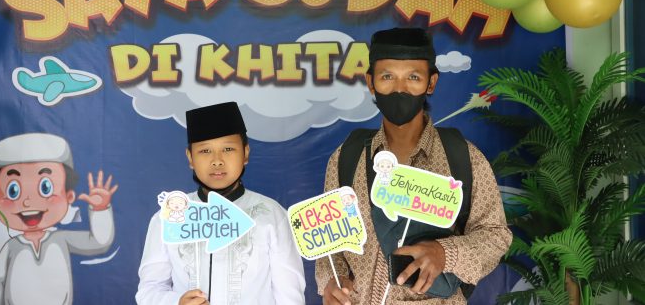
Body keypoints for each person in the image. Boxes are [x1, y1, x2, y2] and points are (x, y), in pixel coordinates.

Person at [315, 28, 512, 304]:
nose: (400, 89)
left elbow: (495, 236)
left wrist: (445, 253)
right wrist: (332, 281)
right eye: (387, 77)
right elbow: (329, 239)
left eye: (413, 77)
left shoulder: (462, 158)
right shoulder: (347, 157)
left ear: (431, 83)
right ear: (370, 82)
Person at [136, 101, 306, 305]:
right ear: (190, 158)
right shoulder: (170, 216)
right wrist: (176, 302)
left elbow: (290, 297)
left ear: (246, 153)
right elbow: (149, 290)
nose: (217, 160)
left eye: (228, 148)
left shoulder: (272, 215)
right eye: (205, 151)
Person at [0, 133, 117, 305]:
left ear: (69, 196)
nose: (28, 202)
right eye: (13, 190)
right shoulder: (11, 247)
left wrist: (100, 209)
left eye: (45, 187)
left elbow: (99, 243)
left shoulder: (61, 239)